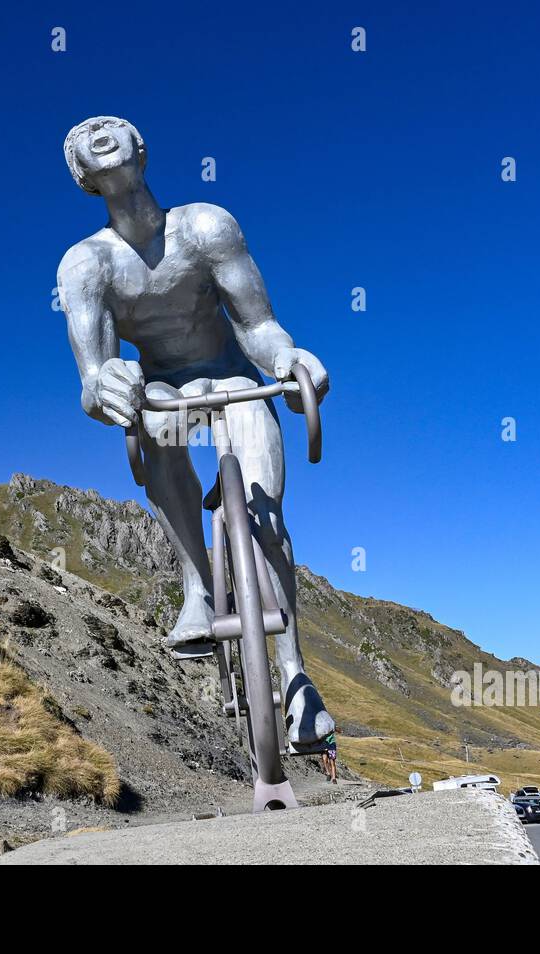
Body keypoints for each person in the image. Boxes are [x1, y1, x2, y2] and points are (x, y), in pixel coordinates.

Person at [58, 116, 334, 750]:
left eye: (114, 125)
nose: (100, 128)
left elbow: (259, 325)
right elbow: (93, 378)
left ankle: (296, 679)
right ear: (80, 174)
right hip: (165, 392)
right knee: (154, 417)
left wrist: (289, 359)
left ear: (142, 150)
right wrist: (105, 388)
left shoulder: (207, 225)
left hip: (237, 380)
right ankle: (198, 588)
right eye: (85, 133)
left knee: (265, 516)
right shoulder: (86, 265)